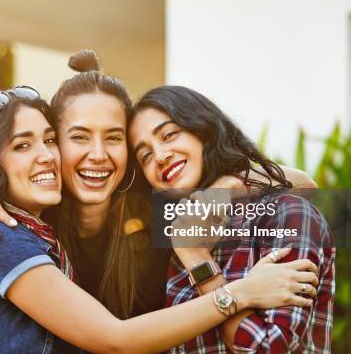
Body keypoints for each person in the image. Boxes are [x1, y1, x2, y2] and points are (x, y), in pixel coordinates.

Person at [0, 51, 318, 321]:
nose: (98, 154)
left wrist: (227, 187)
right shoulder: (31, 216)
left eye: (113, 138)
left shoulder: (155, 207)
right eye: (78, 137)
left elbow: (306, 186)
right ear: (53, 142)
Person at [128, 85, 336, 353]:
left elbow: (268, 347)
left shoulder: (286, 214)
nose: (160, 156)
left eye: (169, 135)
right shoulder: (176, 237)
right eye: (145, 155)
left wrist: (198, 260)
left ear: (204, 130)